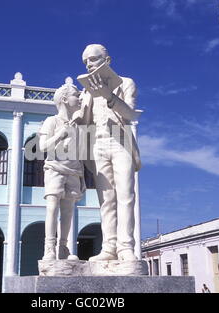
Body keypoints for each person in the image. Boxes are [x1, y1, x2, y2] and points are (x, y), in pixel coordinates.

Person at [77, 44, 141, 261]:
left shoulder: (125, 83)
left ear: (108, 60)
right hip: (98, 145)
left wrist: (108, 95)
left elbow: (131, 115)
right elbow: (84, 122)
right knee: (106, 200)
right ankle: (109, 248)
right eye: (86, 62)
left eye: (93, 59)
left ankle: (125, 248)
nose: (89, 64)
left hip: (120, 142)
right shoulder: (86, 92)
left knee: (125, 195)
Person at [38, 81, 85, 261]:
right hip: (54, 169)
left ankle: (63, 247)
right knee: (52, 207)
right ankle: (49, 248)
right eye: (76, 95)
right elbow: (42, 147)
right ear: (65, 99)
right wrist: (60, 134)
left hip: (73, 170)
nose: (79, 98)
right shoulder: (52, 121)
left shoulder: (77, 125)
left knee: (68, 210)